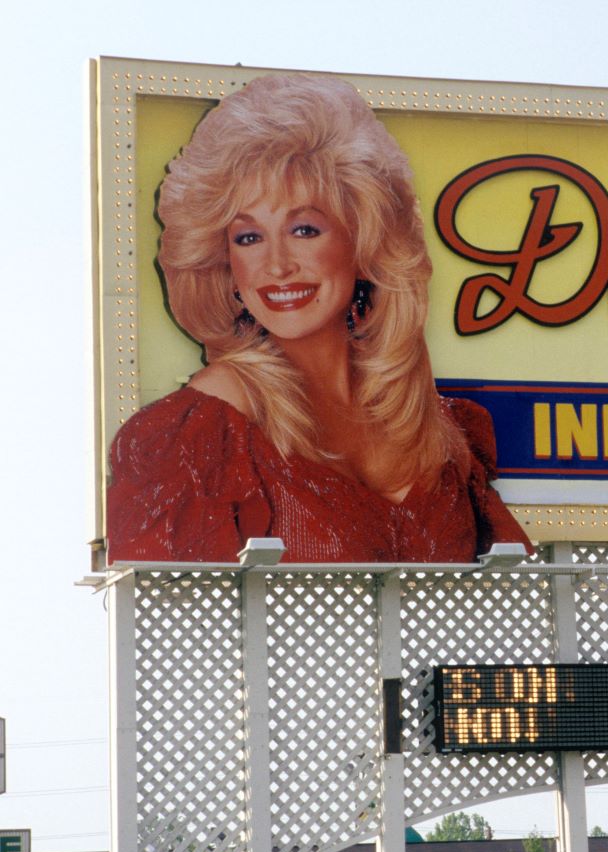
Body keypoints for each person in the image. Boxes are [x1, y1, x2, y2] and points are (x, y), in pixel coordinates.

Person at [107, 74, 529, 563]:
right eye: (249, 238)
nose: (278, 265)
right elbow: (176, 621)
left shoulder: (444, 431)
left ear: (365, 241)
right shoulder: (195, 437)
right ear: (223, 263)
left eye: (305, 229)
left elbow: (505, 593)